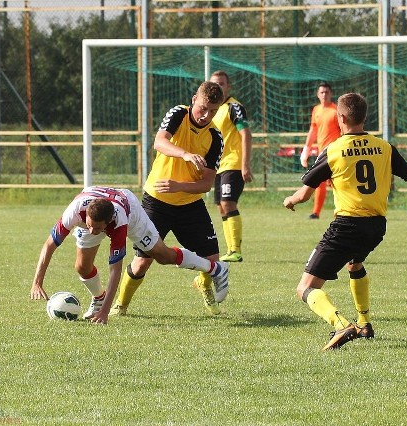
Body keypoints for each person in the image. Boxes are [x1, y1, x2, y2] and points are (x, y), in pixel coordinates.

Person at [284, 92, 407, 351]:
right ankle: (364, 323)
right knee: (355, 264)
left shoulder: (334, 149)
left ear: (341, 117)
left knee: (304, 288)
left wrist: (291, 200)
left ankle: (341, 324)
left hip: (346, 225)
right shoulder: (384, 147)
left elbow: (305, 193)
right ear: (365, 117)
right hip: (376, 227)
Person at [109, 81, 228, 317]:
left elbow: (206, 183)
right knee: (143, 261)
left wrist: (179, 186)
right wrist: (184, 154)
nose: (206, 115)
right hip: (157, 201)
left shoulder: (215, 137)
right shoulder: (178, 114)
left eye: (213, 111)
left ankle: (203, 284)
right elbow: (160, 142)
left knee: (212, 260)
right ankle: (120, 305)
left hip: (189, 204)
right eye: (203, 108)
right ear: (195, 99)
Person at [30, 186, 229, 325]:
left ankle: (214, 268)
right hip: (100, 206)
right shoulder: (75, 212)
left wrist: (105, 313)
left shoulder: (119, 221)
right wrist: (37, 282)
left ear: (108, 223)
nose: (92, 231)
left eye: (97, 228)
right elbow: (49, 245)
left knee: (162, 255)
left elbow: (115, 269)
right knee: (82, 266)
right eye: (89, 225)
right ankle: (98, 298)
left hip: (130, 209)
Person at [209, 70, 254, 262]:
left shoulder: (234, 107)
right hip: (218, 166)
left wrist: (245, 164)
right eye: (214, 84)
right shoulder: (213, 109)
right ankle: (230, 250)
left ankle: (236, 250)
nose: (218, 87)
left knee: (228, 203)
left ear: (228, 86)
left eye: (221, 83)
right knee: (221, 206)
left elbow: (246, 134)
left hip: (233, 164)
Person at [299, 82, 341, 220]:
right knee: (320, 182)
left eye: (327, 92)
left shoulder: (336, 111)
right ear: (318, 94)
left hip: (335, 153)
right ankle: (316, 212)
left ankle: (345, 211)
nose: (324, 95)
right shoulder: (316, 110)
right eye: (321, 92)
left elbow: (343, 132)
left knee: (337, 183)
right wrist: (306, 149)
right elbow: (313, 130)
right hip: (322, 153)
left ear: (331, 94)